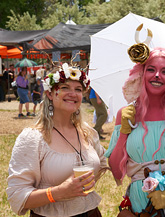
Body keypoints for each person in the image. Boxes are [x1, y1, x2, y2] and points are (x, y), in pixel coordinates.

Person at [105, 32, 165, 215]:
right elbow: (117, 173)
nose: (157, 75)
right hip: (142, 205)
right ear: (141, 73)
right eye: (151, 69)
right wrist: (125, 131)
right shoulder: (124, 115)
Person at [7, 63, 108, 217]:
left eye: (78, 89)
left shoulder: (87, 132)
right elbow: (17, 195)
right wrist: (58, 193)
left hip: (91, 213)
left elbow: (103, 161)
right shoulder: (34, 138)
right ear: (50, 94)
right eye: (65, 87)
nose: (73, 94)